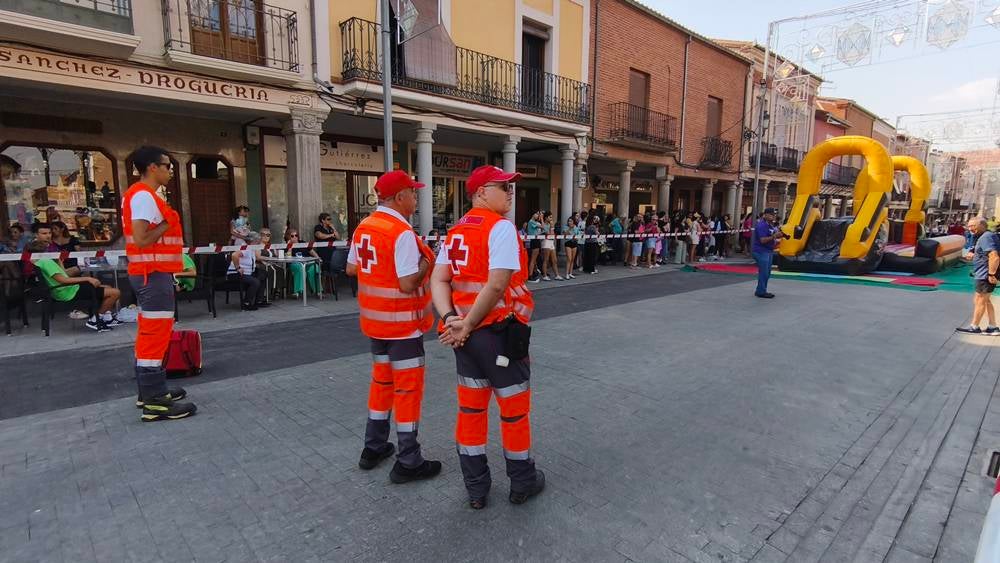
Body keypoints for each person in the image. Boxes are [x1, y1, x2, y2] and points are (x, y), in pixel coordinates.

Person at [431, 164, 545, 510]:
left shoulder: (456, 232)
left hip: (466, 342)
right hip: (499, 335)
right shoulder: (500, 228)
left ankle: (476, 489)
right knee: (514, 412)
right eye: (503, 187)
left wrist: (451, 320)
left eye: (511, 187)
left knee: (470, 411)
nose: (510, 193)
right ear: (481, 192)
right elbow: (497, 284)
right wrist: (466, 324)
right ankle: (522, 483)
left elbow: (438, 279)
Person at [345, 170, 442, 483]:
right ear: (400, 197)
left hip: (375, 324)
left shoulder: (365, 226)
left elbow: (351, 268)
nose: (416, 198)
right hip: (403, 328)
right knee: (407, 392)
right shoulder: (401, 232)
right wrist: (427, 262)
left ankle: (372, 448)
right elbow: (407, 283)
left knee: (381, 385)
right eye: (413, 193)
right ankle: (409, 460)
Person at [123, 146, 196, 422]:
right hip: (152, 274)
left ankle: (150, 392)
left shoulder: (140, 194)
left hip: (149, 273)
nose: (170, 171)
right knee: (156, 336)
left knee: (149, 333)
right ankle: (155, 402)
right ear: (152, 167)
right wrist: (168, 222)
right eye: (167, 166)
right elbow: (142, 239)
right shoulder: (143, 196)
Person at [30, 240, 122, 332]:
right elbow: (63, 280)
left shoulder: (40, 262)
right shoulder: (46, 262)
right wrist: (88, 279)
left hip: (65, 289)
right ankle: (95, 320)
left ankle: (107, 318)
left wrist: (59, 261)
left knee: (108, 288)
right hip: (68, 292)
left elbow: (64, 274)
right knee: (115, 293)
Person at [957, 217, 1000, 334]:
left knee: (979, 300)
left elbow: (994, 256)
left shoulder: (986, 237)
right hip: (983, 273)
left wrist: (991, 274)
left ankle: (974, 327)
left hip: (985, 274)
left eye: (973, 226)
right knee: (985, 300)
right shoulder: (985, 236)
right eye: (969, 226)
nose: (970, 228)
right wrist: (973, 253)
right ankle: (992, 326)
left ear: (982, 225)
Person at [751, 208, 787, 299]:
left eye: (774, 214)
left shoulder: (769, 225)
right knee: (764, 272)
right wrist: (774, 236)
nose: (773, 216)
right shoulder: (762, 225)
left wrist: (777, 237)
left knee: (766, 272)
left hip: (767, 251)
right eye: (771, 214)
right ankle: (761, 291)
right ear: (765, 215)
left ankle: (761, 290)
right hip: (761, 251)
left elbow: (771, 237)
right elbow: (762, 240)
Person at [229, 234, 269, 311]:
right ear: (253, 242)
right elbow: (234, 255)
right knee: (255, 282)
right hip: (236, 273)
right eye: (258, 242)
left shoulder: (252, 249)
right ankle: (246, 303)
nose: (259, 244)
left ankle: (259, 300)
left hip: (248, 272)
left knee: (263, 274)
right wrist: (238, 268)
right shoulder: (245, 248)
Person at [284, 229, 321, 298]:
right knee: (299, 268)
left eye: (296, 235)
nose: (295, 237)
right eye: (292, 236)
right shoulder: (287, 245)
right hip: (295, 264)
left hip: (307, 263)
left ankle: (318, 291)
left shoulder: (303, 243)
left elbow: (312, 251)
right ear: (288, 237)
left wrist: (318, 258)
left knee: (315, 267)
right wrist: (290, 246)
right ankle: (297, 292)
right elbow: (288, 257)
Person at [539, 211, 561, 281]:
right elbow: (549, 233)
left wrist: (552, 227)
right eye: (550, 217)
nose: (551, 219)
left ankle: (557, 275)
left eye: (551, 217)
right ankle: (545, 275)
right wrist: (551, 227)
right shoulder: (544, 225)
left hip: (551, 242)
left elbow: (553, 234)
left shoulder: (550, 224)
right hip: (546, 242)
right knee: (546, 260)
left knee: (554, 260)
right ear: (546, 218)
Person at [525, 211, 543, 282]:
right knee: (533, 259)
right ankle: (530, 275)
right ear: (533, 214)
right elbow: (542, 226)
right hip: (534, 241)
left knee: (534, 259)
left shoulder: (534, 222)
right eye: (537, 214)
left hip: (536, 240)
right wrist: (542, 218)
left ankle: (534, 272)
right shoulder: (531, 222)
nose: (538, 216)